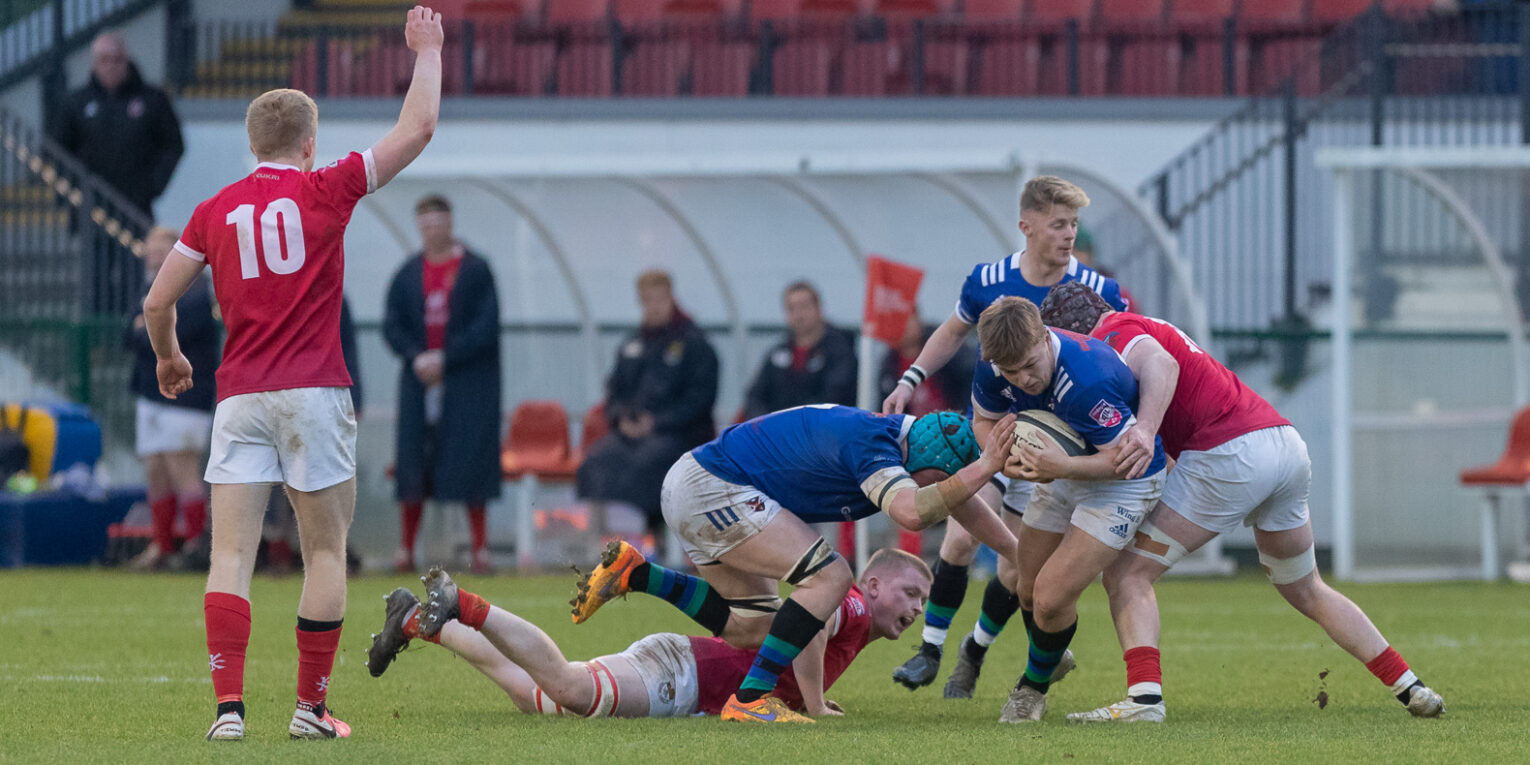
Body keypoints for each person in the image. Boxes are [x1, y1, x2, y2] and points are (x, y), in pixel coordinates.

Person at [142, 5, 443, 742]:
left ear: (252, 145)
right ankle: (309, 709)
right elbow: (417, 130)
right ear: (308, 145)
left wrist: (170, 355)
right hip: (313, 391)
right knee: (323, 549)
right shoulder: (324, 188)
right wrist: (427, 51)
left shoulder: (215, 210)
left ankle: (228, 713)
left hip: (240, 396)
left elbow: (158, 299)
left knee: (231, 554)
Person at [1037, 281, 1445, 723]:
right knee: (1307, 589)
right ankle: (1411, 687)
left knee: (1125, 573)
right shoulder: (1142, 322)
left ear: (1067, 331)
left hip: (1228, 456)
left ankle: (1145, 701)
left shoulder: (1110, 335)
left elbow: (1161, 364)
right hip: (1282, 447)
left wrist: (1144, 430)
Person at [571, 404, 1021, 723]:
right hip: (714, 488)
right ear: (926, 465)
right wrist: (985, 469)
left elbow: (955, 501)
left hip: (703, 485)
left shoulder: (908, 441)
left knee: (751, 627)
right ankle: (751, 700)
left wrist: (1019, 556)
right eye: (936, 484)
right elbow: (911, 510)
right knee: (833, 577)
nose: (937, 499)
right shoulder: (875, 448)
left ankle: (638, 573)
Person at [886, 176, 1130, 699]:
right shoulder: (989, 281)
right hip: (997, 429)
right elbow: (952, 332)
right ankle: (929, 649)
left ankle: (972, 652)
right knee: (958, 536)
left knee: (1017, 571)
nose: (1069, 235)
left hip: (1059, 445)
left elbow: (1127, 354)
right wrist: (911, 379)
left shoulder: (1098, 289)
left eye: (1074, 224)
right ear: (1027, 226)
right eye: (1058, 224)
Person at [365, 549, 932, 719]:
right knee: (567, 689)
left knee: (534, 696)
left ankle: (422, 619)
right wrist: (810, 706)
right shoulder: (851, 603)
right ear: (876, 584)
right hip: (683, 674)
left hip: (685, 669)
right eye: (913, 595)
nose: (917, 611)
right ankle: (461, 601)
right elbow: (806, 625)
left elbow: (797, 636)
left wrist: (807, 696)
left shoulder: (854, 618)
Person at [963, 296, 1164, 724]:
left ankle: (1030, 691)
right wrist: (1001, 455)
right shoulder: (994, 362)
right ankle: (1051, 656)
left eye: (1030, 365)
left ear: (1043, 336)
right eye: (1010, 371)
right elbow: (983, 421)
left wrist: (1060, 466)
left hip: (1124, 482)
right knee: (1026, 587)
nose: (1023, 379)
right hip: (1060, 469)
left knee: (1052, 598)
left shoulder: (1088, 380)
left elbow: (1128, 460)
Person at [384, 194, 502, 575]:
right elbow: (393, 325)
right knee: (413, 464)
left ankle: (481, 551)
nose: (433, 231)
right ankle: (405, 550)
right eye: (426, 224)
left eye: (439, 223)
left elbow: (486, 327)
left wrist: (447, 358)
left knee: (470, 461)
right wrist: (417, 356)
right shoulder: (406, 274)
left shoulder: (476, 270)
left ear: (450, 223)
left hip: (466, 385)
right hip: (419, 383)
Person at [576, 269, 718, 543]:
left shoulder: (694, 343)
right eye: (647, 300)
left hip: (681, 436)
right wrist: (622, 420)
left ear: (670, 298)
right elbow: (614, 391)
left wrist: (658, 423)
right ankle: (600, 543)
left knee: (649, 464)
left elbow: (700, 400)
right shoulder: (633, 342)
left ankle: (657, 540)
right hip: (633, 435)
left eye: (658, 299)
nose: (653, 307)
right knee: (596, 460)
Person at [51, 31, 185, 314]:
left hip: (135, 209)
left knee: (136, 280)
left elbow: (173, 145)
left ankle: (134, 340)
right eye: (104, 60)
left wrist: (153, 185)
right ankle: (100, 345)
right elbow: (56, 155)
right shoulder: (75, 103)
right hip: (92, 213)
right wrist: (72, 196)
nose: (111, 66)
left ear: (126, 60)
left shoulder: (151, 100)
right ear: (94, 64)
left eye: (116, 60)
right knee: (95, 282)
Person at [124, 226, 219, 571]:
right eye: (149, 254)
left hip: (184, 395)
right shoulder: (148, 292)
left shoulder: (196, 294)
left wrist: (144, 330)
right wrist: (143, 332)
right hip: (149, 393)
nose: (154, 260)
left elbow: (161, 336)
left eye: (161, 254)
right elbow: (128, 335)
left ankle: (197, 545)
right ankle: (161, 546)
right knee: (155, 469)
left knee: (182, 467)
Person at [742, 281, 857, 420]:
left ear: (819, 309)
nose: (798, 314)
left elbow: (836, 395)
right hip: (780, 434)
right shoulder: (778, 353)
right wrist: (764, 424)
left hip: (824, 433)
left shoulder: (839, 351)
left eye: (804, 307)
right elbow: (755, 395)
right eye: (791, 308)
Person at [876, 314, 974, 418]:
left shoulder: (951, 354)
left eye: (906, 318)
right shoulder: (889, 366)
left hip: (955, 423)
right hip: (915, 429)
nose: (902, 325)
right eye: (896, 321)